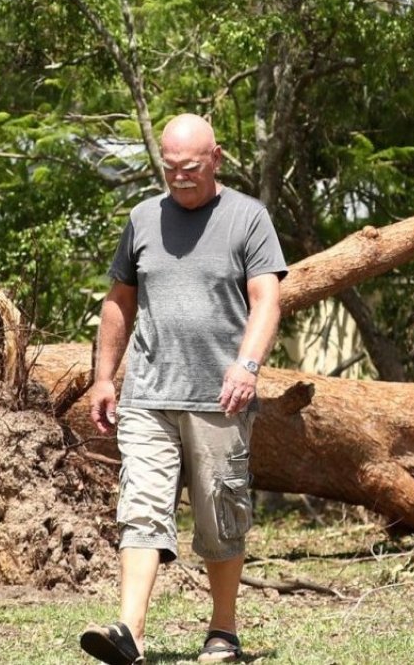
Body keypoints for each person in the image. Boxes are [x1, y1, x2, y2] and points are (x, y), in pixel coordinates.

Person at [78, 114, 286, 665]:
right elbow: (119, 300)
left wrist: (247, 366)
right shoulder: (143, 218)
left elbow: (267, 300)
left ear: (215, 158)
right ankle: (130, 633)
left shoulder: (248, 218)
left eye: (190, 168)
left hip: (220, 397)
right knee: (140, 506)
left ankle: (223, 632)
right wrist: (104, 378)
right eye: (169, 169)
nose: (179, 178)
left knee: (221, 514)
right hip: (149, 394)